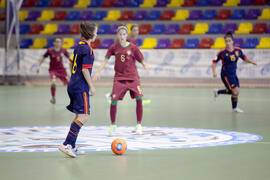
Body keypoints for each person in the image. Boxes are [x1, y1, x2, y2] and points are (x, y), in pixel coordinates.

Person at [93, 24, 149, 135]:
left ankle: (139, 125)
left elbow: (141, 59)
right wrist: (98, 71)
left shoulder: (133, 47)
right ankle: (113, 125)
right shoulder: (113, 47)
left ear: (126, 35)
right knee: (113, 101)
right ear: (117, 35)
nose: (122, 36)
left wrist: (145, 67)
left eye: (124, 34)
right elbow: (105, 61)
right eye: (120, 34)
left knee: (139, 98)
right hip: (119, 78)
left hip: (133, 78)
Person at [58, 22, 97, 158]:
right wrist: (91, 85)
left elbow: (70, 62)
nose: (97, 34)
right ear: (91, 33)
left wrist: (74, 77)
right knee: (84, 116)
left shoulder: (78, 46)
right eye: (96, 32)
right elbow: (85, 69)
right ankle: (66, 144)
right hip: (81, 87)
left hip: (73, 84)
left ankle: (72, 145)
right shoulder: (87, 49)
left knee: (78, 115)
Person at [212, 31, 257, 113]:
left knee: (236, 91)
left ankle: (218, 92)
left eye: (229, 41)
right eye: (226, 41)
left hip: (233, 74)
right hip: (226, 74)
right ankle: (234, 108)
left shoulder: (238, 50)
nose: (228, 43)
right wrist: (214, 72)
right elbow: (214, 61)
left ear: (232, 41)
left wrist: (252, 62)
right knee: (235, 91)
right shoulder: (222, 52)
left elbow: (244, 57)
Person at [36, 38, 71, 104]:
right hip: (53, 70)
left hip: (61, 70)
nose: (58, 43)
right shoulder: (49, 50)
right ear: (54, 43)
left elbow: (70, 58)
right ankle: (53, 97)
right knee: (53, 82)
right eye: (57, 42)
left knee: (69, 83)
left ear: (61, 43)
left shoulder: (63, 50)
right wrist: (38, 66)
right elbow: (43, 58)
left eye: (59, 42)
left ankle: (72, 98)